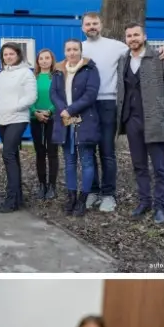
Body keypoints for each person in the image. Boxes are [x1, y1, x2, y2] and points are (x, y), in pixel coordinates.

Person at [79, 11, 164, 213]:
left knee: (107, 151)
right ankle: (93, 191)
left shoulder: (117, 47)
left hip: (109, 103)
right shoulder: (79, 49)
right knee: (88, 150)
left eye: (95, 23)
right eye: (88, 24)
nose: (92, 27)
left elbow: (142, 49)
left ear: (101, 25)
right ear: (82, 27)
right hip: (86, 106)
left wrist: (163, 49)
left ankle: (108, 194)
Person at [116, 22, 164, 224]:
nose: (133, 39)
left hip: (155, 120)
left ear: (144, 37)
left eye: (136, 35)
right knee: (139, 165)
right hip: (132, 120)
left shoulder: (158, 57)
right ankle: (144, 202)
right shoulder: (123, 60)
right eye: (129, 36)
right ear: (126, 39)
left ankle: (160, 206)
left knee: (160, 167)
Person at [51, 39, 102, 217]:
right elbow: (54, 93)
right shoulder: (58, 70)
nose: (72, 52)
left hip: (84, 120)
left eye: (75, 49)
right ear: (64, 51)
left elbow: (91, 94)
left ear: (80, 50)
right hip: (65, 121)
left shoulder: (90, 69)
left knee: (87, 161)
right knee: (69, 162)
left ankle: (83, 199)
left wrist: (71, 110)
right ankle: (71, 197)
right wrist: (63, 110)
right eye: (68, 49)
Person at [0, 42, 37, 213]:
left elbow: (31, 96)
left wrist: (14, 106)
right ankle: (18, 196)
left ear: (18, 55)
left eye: (11, 54)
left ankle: (11, 199)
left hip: (18, 117)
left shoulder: (26, 73)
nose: (8, 57)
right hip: (1, 118)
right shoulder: (0, 73)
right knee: (13, 155)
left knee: (8, 154)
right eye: (5, 54)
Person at [30, 49, 60, 201]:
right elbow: (28, 97)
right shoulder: (32, 77)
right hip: (35, 117)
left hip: (52, 117)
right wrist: (35, 112)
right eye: (41, 58)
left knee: (52, 152)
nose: (44, 61)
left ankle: (52, 186)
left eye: (47, 58)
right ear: (37, 61)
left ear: (52, 60)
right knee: (40, 152)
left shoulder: (56, 77)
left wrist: (49, 111)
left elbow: (60, 96)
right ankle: (42, 185)